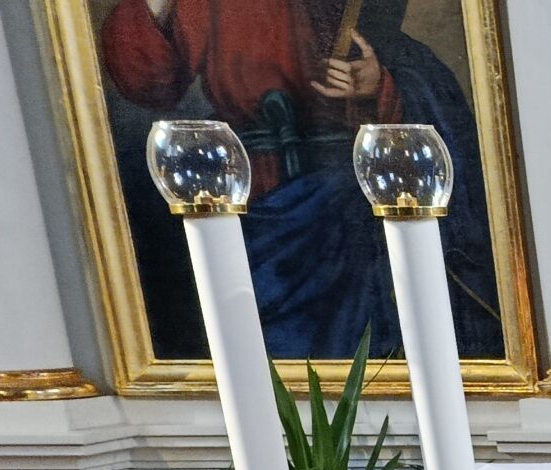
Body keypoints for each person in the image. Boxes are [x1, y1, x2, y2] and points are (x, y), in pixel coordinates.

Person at [100, 0, 500, 359]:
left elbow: (411, 73)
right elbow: (148, 81)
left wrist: (376, 83)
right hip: (258, 201)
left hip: (353, 208)